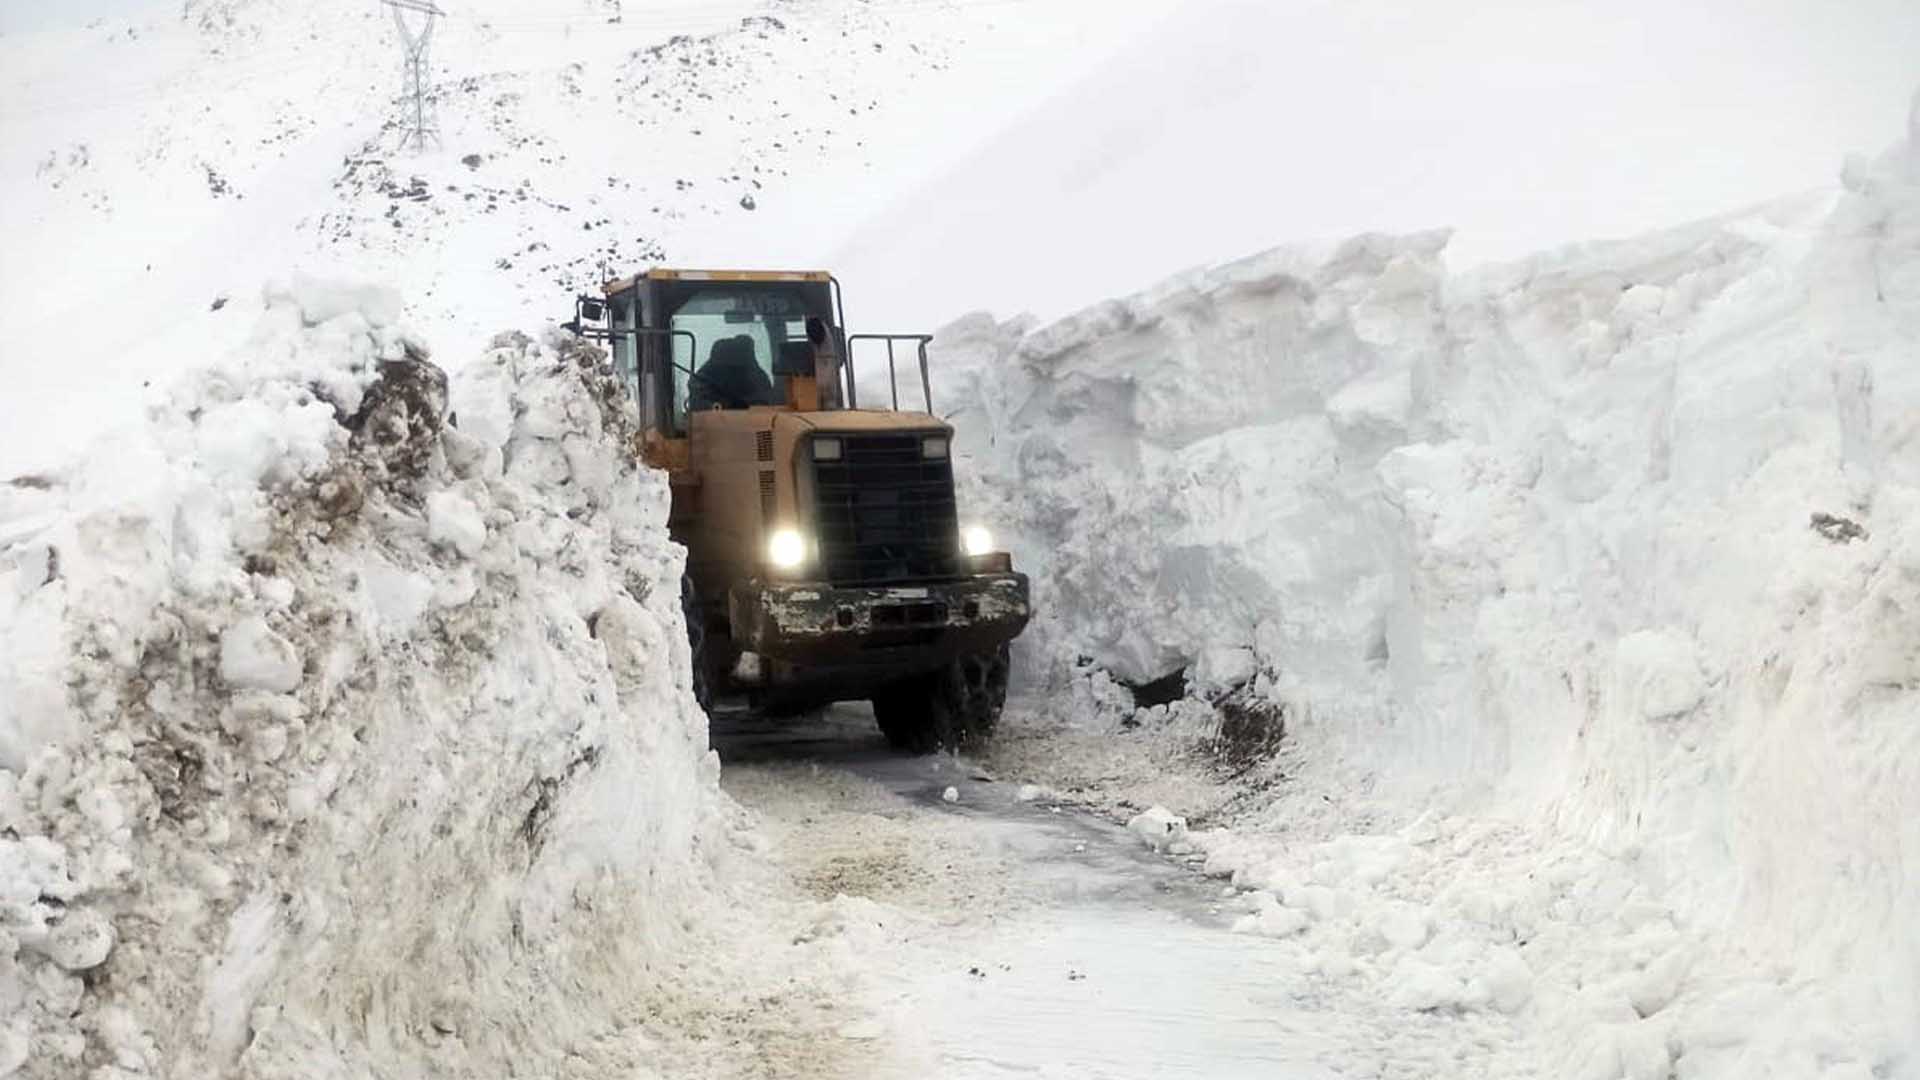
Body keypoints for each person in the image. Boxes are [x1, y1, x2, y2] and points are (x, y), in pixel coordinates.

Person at [688, 334, 774, 411]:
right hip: (708, 426)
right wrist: (726, 405)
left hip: (763, 426)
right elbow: (698, 407)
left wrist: (743, 405)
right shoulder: (703, 378)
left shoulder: (757, 377)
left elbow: (765, 404)